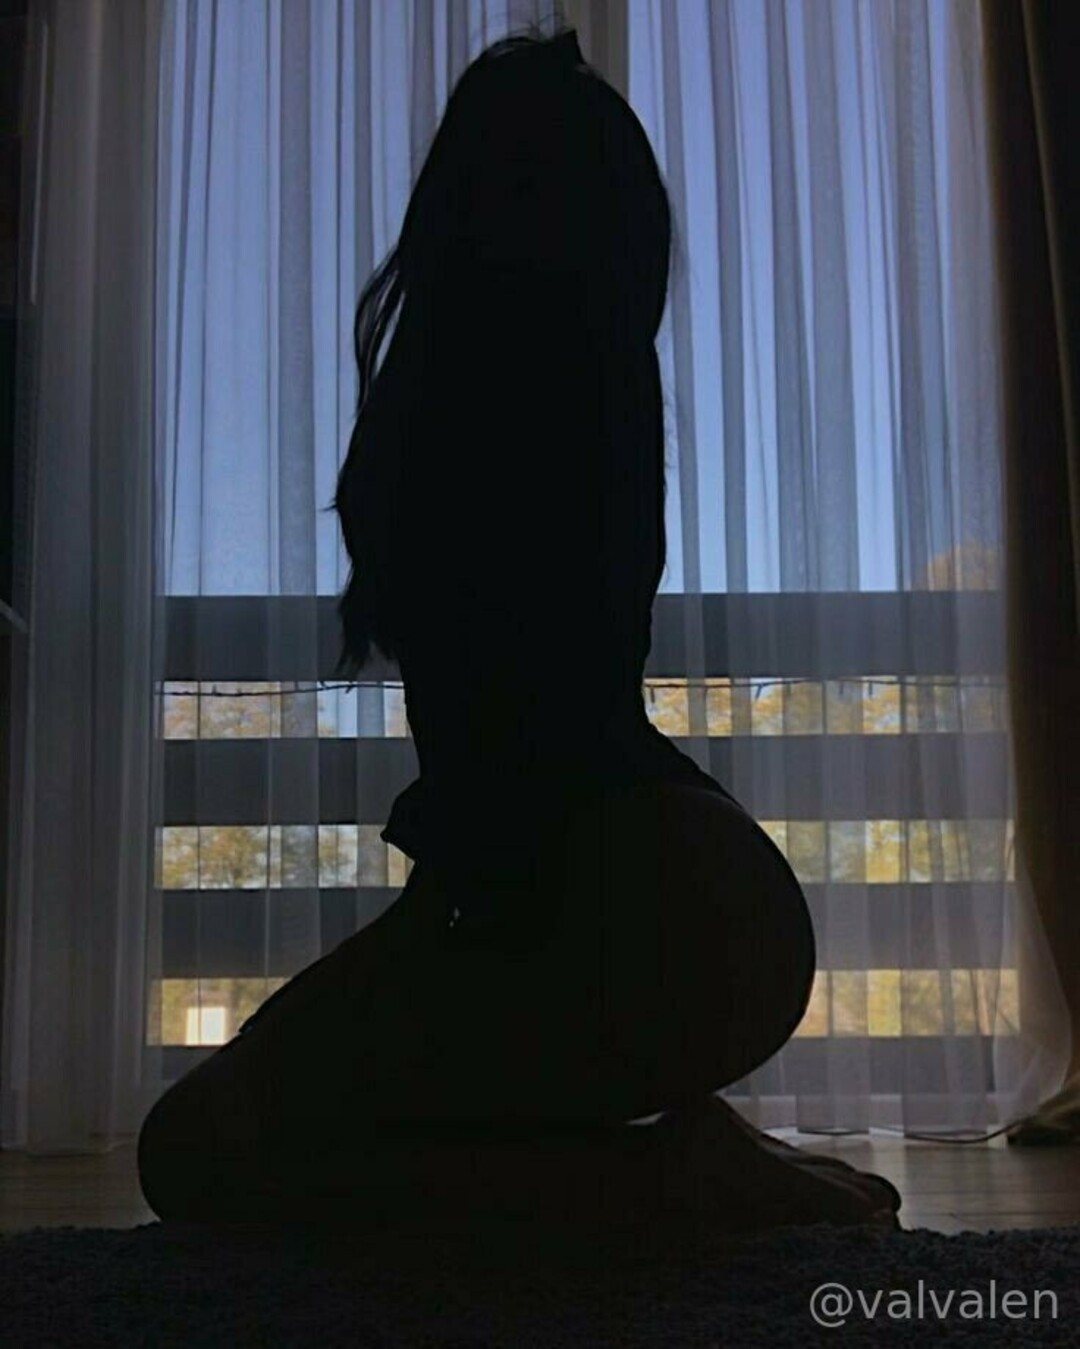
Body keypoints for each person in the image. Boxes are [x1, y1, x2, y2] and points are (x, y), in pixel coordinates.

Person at [137, 26, 900, 1231]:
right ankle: (666, 1159)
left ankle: (663, 1174)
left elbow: (513, 754)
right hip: (687, 887)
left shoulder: (471, 411)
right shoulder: (584, 387)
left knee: (201, 1155)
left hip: (616, 892)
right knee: (227, 1145)